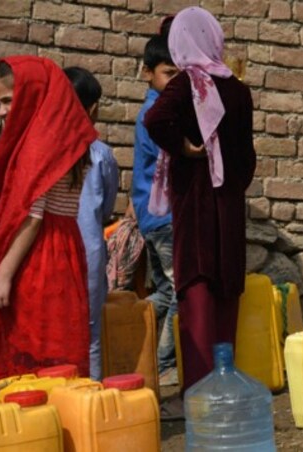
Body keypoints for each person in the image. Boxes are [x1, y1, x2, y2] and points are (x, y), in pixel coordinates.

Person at [144, 6, 256, 401]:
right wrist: (231, 184)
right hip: (227, 207)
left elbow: (154, 119)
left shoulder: (188, 82)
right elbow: (247, 158)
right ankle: (225, 388)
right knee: (225, 290)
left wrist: (188, 150)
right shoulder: (238, 88)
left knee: (196, 290)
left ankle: (200, 396)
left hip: (195, 203)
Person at [0, 57, 96, 383]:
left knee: (32, 353)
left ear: (32, 94)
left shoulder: (39, 144)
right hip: (66, 252)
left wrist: (2, 276)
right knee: (59, 350)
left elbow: (33, 216)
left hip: (38, 258)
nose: (1, 112)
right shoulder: (68, 139)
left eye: (8, 101)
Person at [132, 34, 180, 387]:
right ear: (146, 73)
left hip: (152, 218)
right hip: (164, 218)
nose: (174, 82)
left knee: (164, 291)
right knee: (182, 292)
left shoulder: (152, 110)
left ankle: (133, 339)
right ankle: (163, 363)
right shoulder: (155, 114)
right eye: (168, 74)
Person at [65, 66, 120, 381]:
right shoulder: (101, 154)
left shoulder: (45, 150)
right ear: (93, 108)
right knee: (91, 337)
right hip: (89, 252)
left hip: (53, 254)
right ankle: (91, 409)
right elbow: (106, 209)